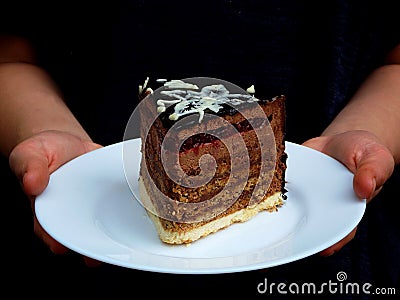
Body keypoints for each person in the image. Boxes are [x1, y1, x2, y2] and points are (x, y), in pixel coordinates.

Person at [1, 1, 399, 298]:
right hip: (80, 267)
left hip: (326, 274)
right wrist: (45, 128)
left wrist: (365, 129)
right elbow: (11, 57)